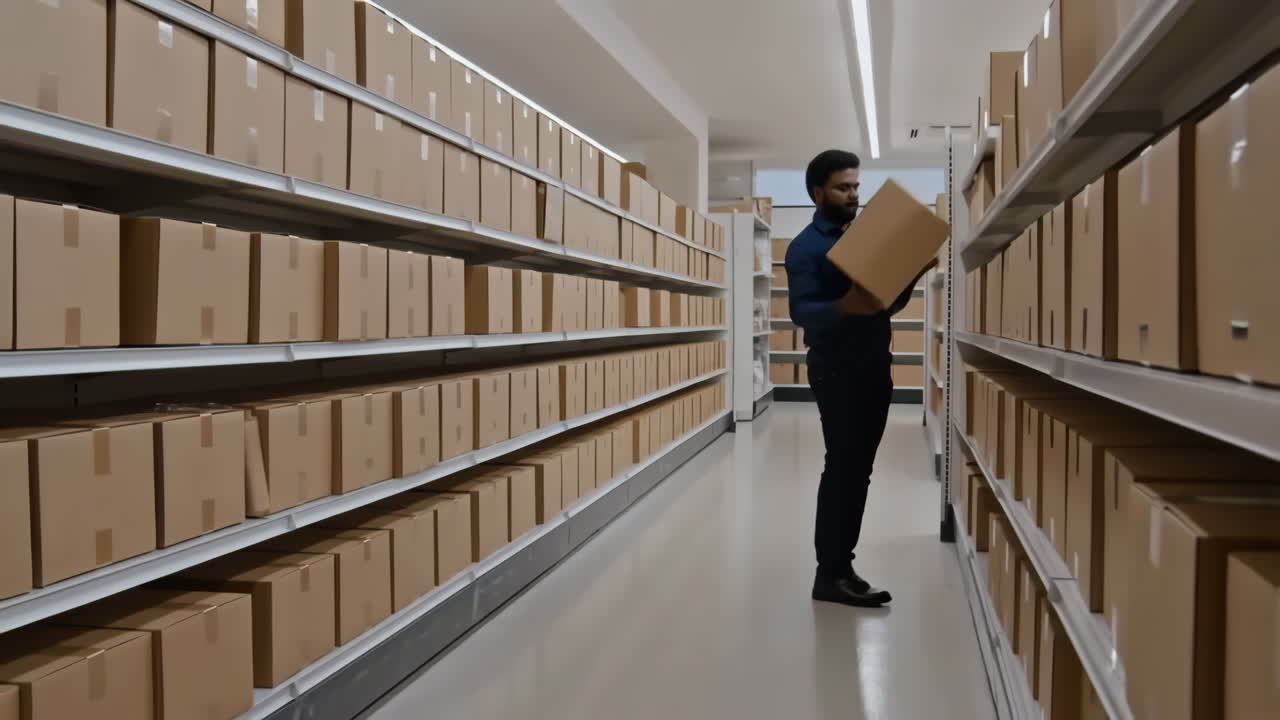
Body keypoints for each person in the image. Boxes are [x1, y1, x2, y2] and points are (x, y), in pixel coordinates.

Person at [785, 149, 934, 608]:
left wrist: (911, 276)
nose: (853, 195)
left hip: (874, 368)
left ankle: (839, 568)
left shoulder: (866, 238)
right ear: (817, 192)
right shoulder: (805, 247)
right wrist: (842, 306)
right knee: (845, 469)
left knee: (858, 471)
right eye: (842, 188)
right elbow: (800, 311)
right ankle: (830, 573)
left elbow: (882, 306)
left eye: (855, 187)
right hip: (837, 371)